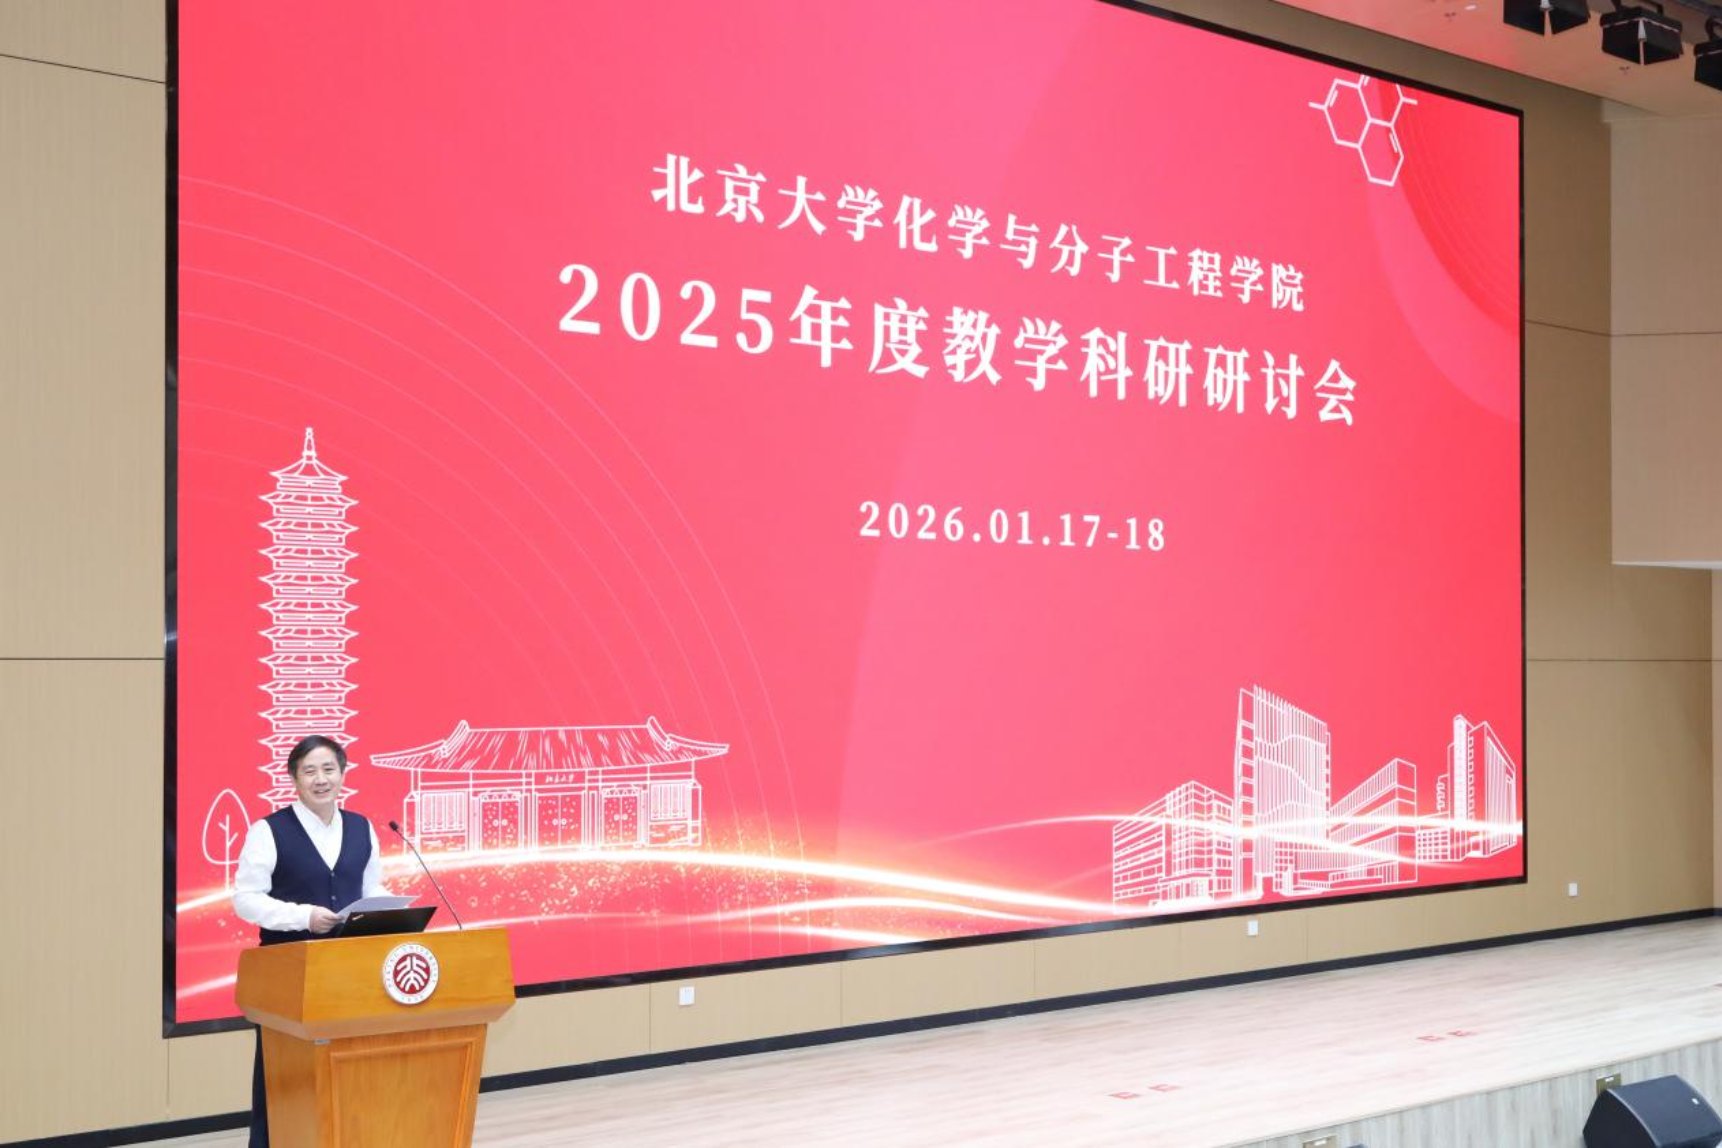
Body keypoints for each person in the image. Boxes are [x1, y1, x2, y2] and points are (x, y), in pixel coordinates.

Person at [231, 735, 390, 1147]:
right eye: (310, 771)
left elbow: (371, 887)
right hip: (289, 969)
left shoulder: (362, 827)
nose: (321, 779)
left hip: (348, 970)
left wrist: (388, 908)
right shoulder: (268, 831)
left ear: (343, 774)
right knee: (284, 1071)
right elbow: (246, 899)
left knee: (348, 1063)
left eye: (329, 769)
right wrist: (303, 916)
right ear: (294, 778)